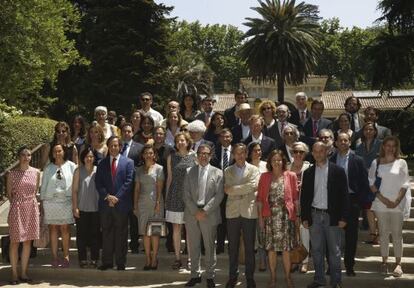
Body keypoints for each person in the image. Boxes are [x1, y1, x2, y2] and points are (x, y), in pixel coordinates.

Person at [300, 141, 349, 288]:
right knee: (316, 250)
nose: (318, 154)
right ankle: (319, 279)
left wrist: (343, 217)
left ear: (327, 151)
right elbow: (305, 197)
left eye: (321, 151)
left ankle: (336, 281)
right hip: (314, 215)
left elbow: (344, 196)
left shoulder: (338, 171)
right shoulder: (308, 172)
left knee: (334, 251)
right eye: (315, 151)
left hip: (332, 217)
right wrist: (305, 217)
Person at [368, 136, 410, 277]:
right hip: (381, 204)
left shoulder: (401, 162)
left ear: (396, 148)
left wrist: (397, 201)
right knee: (384, 234)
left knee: (397, 234)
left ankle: (398, 264)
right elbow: (371, 182)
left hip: (397, 204)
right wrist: (383, 199)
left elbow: (405, 183)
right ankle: (384, 261)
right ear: (383, 147)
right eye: (388, 145)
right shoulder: (377, 162)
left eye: (393, 146)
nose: (390, 148)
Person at [183, 144, 224, 288]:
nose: (203, 156)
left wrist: (204, 211)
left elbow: (219, 195)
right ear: (197, 155)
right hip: (192, 213)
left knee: (209, 246)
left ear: (210, 155)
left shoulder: (218, 173)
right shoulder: (189, 171)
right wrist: (196, 211)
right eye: (200, 153)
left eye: (206, 153)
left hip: (209, 214)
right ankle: (195, 275)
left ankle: (210, 276)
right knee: (193, 246)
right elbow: (186, 194)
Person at [257, 150, 299, 288]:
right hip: (269, 218)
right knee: (271, 250)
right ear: (269, 162)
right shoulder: (264, 177)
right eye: (274, 160)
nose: (277, 162)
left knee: (286, 250)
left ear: (284, 162)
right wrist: (260, 219)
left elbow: (295, 199)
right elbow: (259, 200)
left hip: (286, 218)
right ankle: (273, 277)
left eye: (279, 160)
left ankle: (288, 277)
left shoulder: (291, 176)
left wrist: (297, 217)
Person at [330, 132, 370, 276]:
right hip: (335, 202)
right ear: (336, 143)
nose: (343, 143)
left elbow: (364, 183)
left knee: (351, 236)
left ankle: (349, 266)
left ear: (349, 142)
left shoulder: (358, 160)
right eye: (340, 140)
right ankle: (332, 266)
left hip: (352, 201)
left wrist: (359, 202)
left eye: (346, 140)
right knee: (333, 235)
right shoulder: (331, 159)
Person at [95, 136, 135, 271]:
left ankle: (120, 262)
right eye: (111, 145)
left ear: (120, 147)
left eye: (116, 145)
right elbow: (98, 183)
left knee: (121, 235)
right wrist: (108, 197)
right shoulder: (101, 163)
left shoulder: (128, 162)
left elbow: (129, 182)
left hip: (121, 204)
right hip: (106, 205)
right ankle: (107, 262)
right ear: (108, 147)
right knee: (106, 233)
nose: (113, 148)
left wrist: (116, 198)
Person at [224, 143, 260, 288]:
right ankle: (233, 276)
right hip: (232, 212)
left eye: (242, 153)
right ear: (233, 155)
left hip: (249, 211)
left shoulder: (254, 169)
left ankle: (250, 277)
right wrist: (245, 189)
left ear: (246, 154)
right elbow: (227, 189)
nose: (239, 156)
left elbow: (254, 186)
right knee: (232, 246)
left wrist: (235, 190)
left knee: (250, 247)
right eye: (237, 153)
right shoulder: (227, 170)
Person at [7, 146, 40, 284]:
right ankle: (14, 274)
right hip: (17, 208)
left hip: (31, 208)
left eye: (28, 154)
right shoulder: (12, 174)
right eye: (23, 154)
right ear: (19, 157)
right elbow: (9, 194)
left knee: (28, 242)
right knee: (15, 241)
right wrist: (18, 203)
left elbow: (35, 190)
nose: (26, 157)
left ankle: (24, 273)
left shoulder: (37, 172)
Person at [40, 143, 76, 268]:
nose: (57, 153)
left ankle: (66, 255)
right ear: (52, 153)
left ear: (64, 152)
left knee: (65, 229)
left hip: (66, 202)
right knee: (53, 229)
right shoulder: (48, 167)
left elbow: (75, 186)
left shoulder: (71, 166)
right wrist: (42, 202)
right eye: (55, 151)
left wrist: (75, 203)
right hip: (50, 202)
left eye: (59, 151)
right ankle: (55, 257)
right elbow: (43, 186)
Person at [165, 132, 197, 269]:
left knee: (190, 229)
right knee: (176, 228)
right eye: (178, 141)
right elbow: (170, 178)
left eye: (182, 140)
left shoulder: (194, 156)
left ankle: (190, 259)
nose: (180, 143)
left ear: (187, 141)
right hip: (175, 195)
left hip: (190, 196)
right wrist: (166, 197)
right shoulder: (171, 157)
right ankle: (178, 258)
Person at [133, 144, 164, 270]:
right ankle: (147, 258)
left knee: (155, 233)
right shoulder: (139, 170)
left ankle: (155, 258)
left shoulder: (159, 169)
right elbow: (136, 189)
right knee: (145, 233)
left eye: (151, 153)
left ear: (154, 155)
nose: (148, 155)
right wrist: (135, 205)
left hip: (155, 202)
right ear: (143, 155)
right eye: (146, 153)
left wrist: (157, 203)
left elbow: (159, 187)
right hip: (142, 203)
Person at [71, 147, 100, 268]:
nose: (89, 159)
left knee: (95, 235)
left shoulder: (98, 170)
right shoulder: (78, 171)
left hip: (96, 208)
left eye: (91, 156)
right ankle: (82, 259)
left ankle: (94, 258)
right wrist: (75, 207)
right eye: (87, 156)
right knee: (81, 235)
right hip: (82, 208)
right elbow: (74, 191)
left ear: (94, 158)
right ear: (83, 158)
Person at [355, 122, 382, 244]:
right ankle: (372, 233)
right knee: (368, 209)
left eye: (371, 129)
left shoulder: (381, 145)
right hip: (365, 181)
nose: (368, 131)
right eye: (366, 129)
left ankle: (381, 233)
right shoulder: (359, 147)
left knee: (378, 208)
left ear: (375, 131)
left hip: (379, 181)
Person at [120, 123, 143, 254]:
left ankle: (134, 244)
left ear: (133, 133)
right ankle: (121, 244)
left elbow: (141, 165)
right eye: (124, 131)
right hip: (119, 188)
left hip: (134, 187)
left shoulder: (139, 148)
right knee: (121, 220)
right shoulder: (116, 147)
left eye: (129, 131)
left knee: (134, 219)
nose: (127, 133)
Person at [210, 128, 234, 254]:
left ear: (231, 138)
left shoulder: (236, 152)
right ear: (219, 138)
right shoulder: (214, 152)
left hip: (232, 191)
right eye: (223, 136)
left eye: (228, 136)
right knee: (219, 219)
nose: (226, 139)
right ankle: (219, 245)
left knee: (231, 220)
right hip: (217, 190)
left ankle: (231, 245)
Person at [289, 141, 311, 273]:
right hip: (289, 205)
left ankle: (305, 261)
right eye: (295, 151)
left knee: (304, 233)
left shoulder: (310, 167)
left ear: (305, 154)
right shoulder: (286, 166)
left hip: (304, 205)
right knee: (291, 234)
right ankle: (294, 260)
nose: (298, 154)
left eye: (301, 152)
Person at [153, 126, 175, 253]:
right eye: (156, 133)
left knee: (169, 216)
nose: (159, 136)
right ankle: (153, 242)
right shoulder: (149, 149)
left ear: (164, 136)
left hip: (167, 186)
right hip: (151, 186)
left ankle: (170, 243)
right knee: (155, 215)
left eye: (161, 134)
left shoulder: (170, 150)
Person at [247, 142, 267, 272]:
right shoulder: (246, 166)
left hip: (264, 204)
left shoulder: (266, 165)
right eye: (255, 150)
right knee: (250, 234)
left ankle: (262, 260)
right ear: (250, 152)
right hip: (249, 204)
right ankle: (250, 261)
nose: (258, 152)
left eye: (259, 150)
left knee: (262, 233)